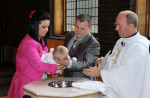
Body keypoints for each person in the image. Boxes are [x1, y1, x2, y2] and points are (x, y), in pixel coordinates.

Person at [77, 10, 150, 98]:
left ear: (131, 26)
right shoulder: (121, 41)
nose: (116, 28)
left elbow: (126, 75)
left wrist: (101, 73)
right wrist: (103, 62)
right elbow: (115, 62)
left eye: (119, 26)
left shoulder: (138, 48)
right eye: (116, 25)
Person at [7, 10, 64, 98]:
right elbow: (39, 65)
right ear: (34, 25)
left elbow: (44, 59)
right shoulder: (28, 43)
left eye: (48, 27)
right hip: (26, 81)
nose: (46, 30)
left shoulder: (40, 39)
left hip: (37, 79)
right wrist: (58, 67)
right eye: (43, 27)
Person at [54, 14, 100, 80]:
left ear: (90, 29)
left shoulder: (93, 44)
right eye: (76, 27)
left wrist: (69, 63)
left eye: (82, 29)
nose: (78, 31)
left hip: (83, 81)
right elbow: (64, 53)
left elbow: (88, 64)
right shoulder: (70, 35)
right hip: (67, 78)